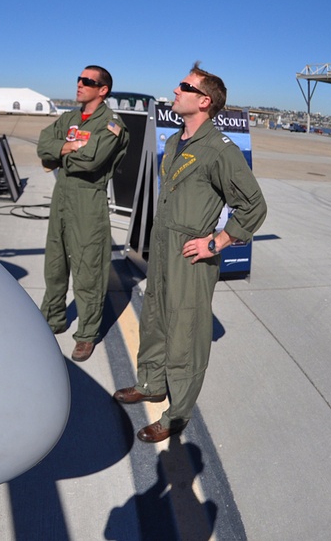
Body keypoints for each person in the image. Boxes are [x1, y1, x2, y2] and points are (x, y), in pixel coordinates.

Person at [113, 63, 267, 443]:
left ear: (205, 100)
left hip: (192, 253)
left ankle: (177, 412)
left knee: (185, 332)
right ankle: (151, 383)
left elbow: (254, 206)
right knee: (155, 316)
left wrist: (216, 242)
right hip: (163, 245)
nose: (175, 90)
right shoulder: (173, 142)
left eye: (184, 86)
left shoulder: (219, 149)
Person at [38, 65, 129, 362]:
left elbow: (90, 161)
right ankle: (52, 318)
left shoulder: (112, 124)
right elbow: (43, 146)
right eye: (78, 79)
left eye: (87, 81)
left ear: (102, 90)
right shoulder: (69, 118)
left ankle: (87, 334)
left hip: (88, 200)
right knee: (55, 262)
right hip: (62, 195)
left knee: (89, 269)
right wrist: (69, 146)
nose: (79, 84)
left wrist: (60, 154)